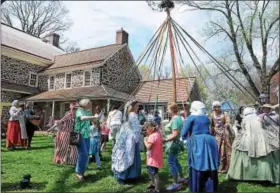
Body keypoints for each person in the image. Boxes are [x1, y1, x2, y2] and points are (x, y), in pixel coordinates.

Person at [227, 107, 279, 184]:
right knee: (268, 150)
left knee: (236, 147)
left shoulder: (245, 119)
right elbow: (263, 127)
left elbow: (243, 129)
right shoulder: (258, 118)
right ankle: (266, 175)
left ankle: (242, 175)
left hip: (247, 139)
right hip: (262, 138)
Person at [181, 101, 219, 192]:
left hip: (198, 142)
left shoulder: (191, 118)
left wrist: (185, 140)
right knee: (210, 165)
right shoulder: (206, 118)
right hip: (210, 141)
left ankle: (197, 187)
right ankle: (210, 188)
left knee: (198, 164)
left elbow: (184, 133)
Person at [112, 100, 142, 185]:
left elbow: (132, 125)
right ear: (133, 107)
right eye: (137, 106)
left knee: (124, 156)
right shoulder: (133, 115)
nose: (138, 107)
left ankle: (124, 176)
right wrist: (138, 135)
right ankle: (130, 176)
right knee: (130, 157)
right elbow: (135, 128)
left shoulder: (128, 114)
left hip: (126, 137)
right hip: (131, 138)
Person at [163, 102, 185, 191]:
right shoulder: (179, 118)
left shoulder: (175, 120)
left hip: (172, 144)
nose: (167, 111)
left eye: (167, 109)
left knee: (171, 162)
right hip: (175, 143)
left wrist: (164, 140)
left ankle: (176, 183)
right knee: (175, 161)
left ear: (172, 110)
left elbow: (175, 134)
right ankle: (181, 178)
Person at [74, 98, 98, 180]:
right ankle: (79, 173)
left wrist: (97, 117)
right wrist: (92, 116)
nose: (91, 104)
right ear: (85, 104)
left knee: (85, 154)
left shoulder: (88, 111)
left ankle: (81, 171)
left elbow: (93, 119)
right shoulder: (79, 110)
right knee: (83, 153)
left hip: (87, 135)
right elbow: (82, 118)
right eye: (90, 103)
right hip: (80, 135)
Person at [210, 101, 233, 173]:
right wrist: (213, 130)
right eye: (215, 107)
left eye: (218, 106)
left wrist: (226, 125)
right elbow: (211, 126)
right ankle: (217, 167)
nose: (217, 108)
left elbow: (228, 122)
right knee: (217, 151)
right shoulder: (212, 115)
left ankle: (225, 167)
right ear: (213, 108)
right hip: (217, 135)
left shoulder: (225, 114)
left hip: (224, 134)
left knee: (224, 151)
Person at [143, 121, 163, 193]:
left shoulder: (152, 136)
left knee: (155, 174)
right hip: (155, 157)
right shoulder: (157, 134)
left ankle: (157, 189)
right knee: (150, 171)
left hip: (153, 159)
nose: (146, 130)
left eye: (147, 128)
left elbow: (148, 147)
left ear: (152, 128)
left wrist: (145, 140)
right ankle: (153, 184)